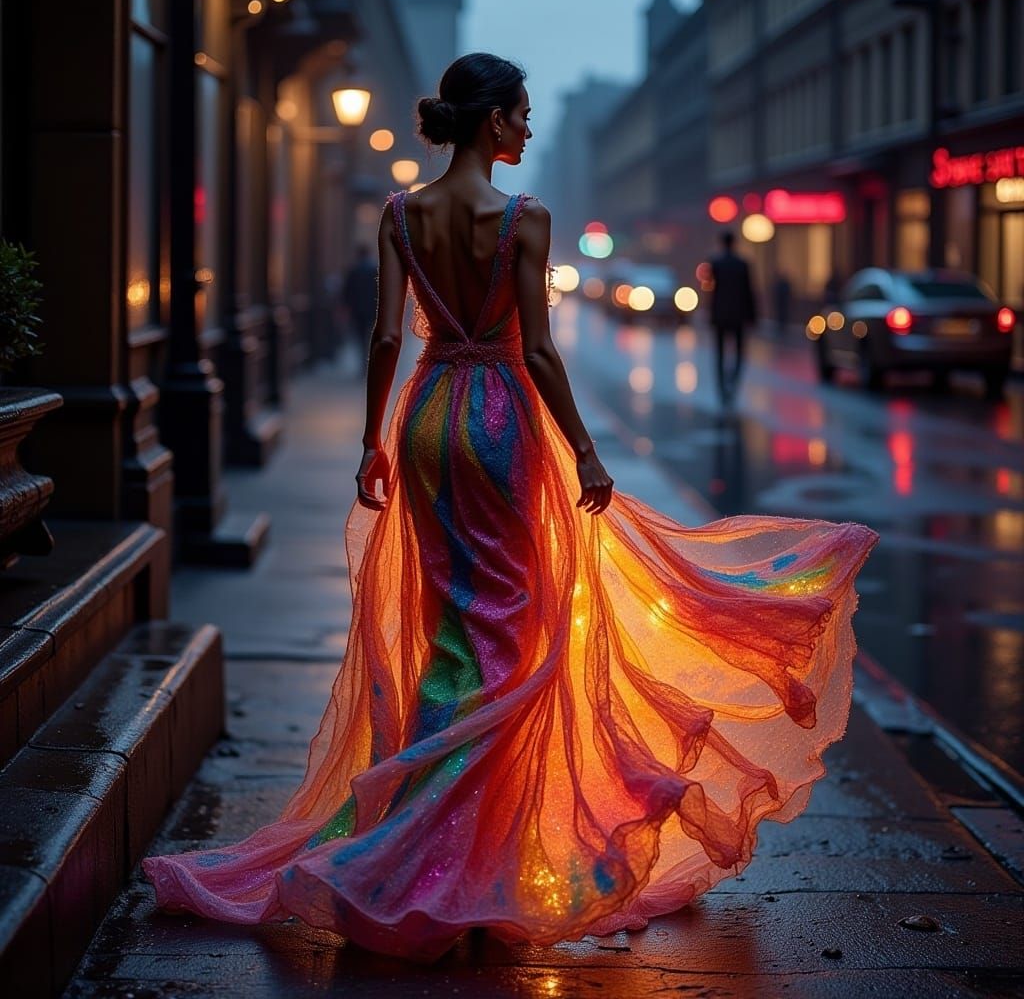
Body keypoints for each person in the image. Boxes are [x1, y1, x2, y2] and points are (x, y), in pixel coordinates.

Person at [142, 53, 879, 962]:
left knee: (449, 622)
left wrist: (373, 438)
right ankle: (462, 857)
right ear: (490, 121)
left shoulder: (401, 213)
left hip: (425, 420)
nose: (527, 130)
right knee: (509, 634)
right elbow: (536, 352)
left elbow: (384, 335)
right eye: (520, 115)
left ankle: (428, 832)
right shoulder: (523, 219)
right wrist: (586, 447)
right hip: (497, 425)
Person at [708, 230, 758, 405]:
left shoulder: (716, 263)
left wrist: (710, 314)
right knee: (739, 352)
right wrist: (753, 316)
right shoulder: (742, 264)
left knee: (720, 353)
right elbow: (749, 291)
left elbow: (711, 292)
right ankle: (733, 382)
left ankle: (723, 386)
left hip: (721, 314)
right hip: (738, 314)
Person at [340, 243, 378, 362]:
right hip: (373, 308)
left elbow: (347, 291)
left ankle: (363, 359)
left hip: (357, 309)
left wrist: (346, 307)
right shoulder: (375, 270)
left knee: (360, 336)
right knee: (371, 335)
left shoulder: (354, 270)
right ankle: (370, 358)